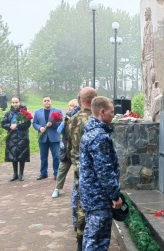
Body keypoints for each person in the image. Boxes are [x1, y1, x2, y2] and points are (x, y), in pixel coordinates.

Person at [79, 96, 122, 251]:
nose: (113, 115)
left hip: (91, 195)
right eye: (111, 112)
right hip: (99, 197)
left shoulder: (90, 132)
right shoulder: (99, 137)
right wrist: (115, 195)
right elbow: (104, 171)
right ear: (102, 112)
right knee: (97, 240)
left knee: (92, 237)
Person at [67, 87, 97, 250]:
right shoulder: (92, 120)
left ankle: (79, 237)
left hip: (77, 164)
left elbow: (70, 144)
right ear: (93, 99)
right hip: (89, 168)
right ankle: (85, 238)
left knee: (78, 200)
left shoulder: (73, 118)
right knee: (86, 204)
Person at [52, 98, 80, 198]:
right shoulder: (66, 118)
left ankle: (79, 190)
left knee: (79, 170)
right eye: (70, 106)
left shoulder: (79, 119)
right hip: (66, 149)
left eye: (73, 106)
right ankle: (57, 188)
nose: (71, 108)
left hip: (77, 149)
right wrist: (64, 122)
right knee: (62, 169)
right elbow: (59, 131)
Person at [33, 96, 63, 180]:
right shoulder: (38, 112)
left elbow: (61, 123)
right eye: (45, 101)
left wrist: (53, 125)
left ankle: (56, 173)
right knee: (43, 157)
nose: (47, 102)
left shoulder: (57, 111)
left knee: (56, 156)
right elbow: (34, 123)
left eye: (48, 100)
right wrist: (39, 128)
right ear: (42, 102)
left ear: (51, 102)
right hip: (43, 137)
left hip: (54, 137)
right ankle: (43, 173)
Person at [1, 97, 31, 181]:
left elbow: (27, 124)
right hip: (12, 137)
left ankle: (21, 173)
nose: (15, 104)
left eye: (16, 102)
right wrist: (10, 126)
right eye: (13, 102)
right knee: (13, 155)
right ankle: (15, 174)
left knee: (22, 155)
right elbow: (3, 123)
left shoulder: (24, 113)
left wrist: (17, 126)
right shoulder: (8, 113)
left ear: (19, 102)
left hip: (22, 136)